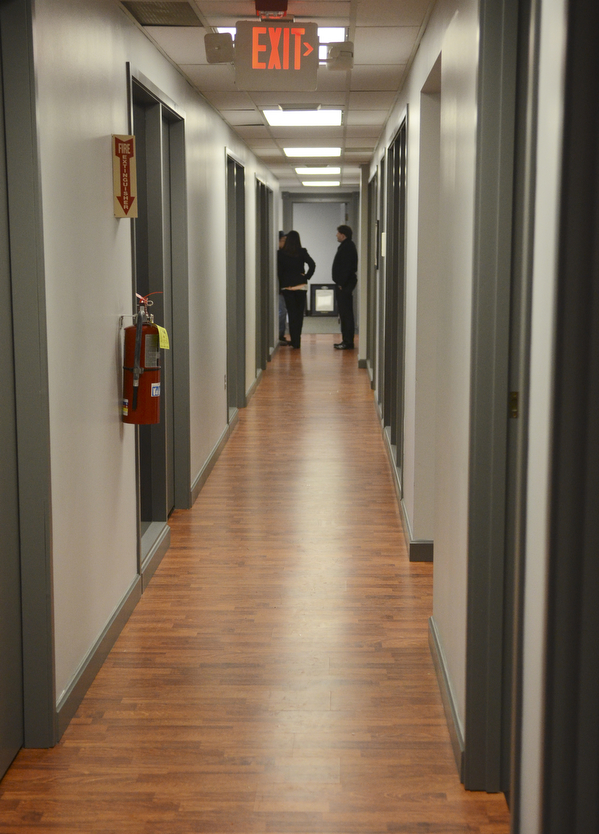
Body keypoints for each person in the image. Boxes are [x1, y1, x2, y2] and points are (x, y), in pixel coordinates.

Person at [277, 230, 315, 349]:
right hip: (301, 286)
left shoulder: (281, 253)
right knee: (299, 315)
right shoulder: (302, 251)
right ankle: (297, 341)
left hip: (287, 287)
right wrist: (306, 277)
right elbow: (312, 264)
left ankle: (294, 341)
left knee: (291, 313)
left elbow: (279, 272)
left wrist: (280, 286)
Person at [332, 224, 358, 350]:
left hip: (345, 285)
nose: (336, 235)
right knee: (344, 313)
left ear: (343, 235)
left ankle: (347, 341)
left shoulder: (347, 247)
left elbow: (346, 268)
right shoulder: (346, 246)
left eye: (338, 233)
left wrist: (341, 284)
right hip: (344, 284)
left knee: (346, 314)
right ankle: (346, 340)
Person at [278, 231, 289, 344]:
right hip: (279, 288)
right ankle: (279, 335)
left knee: (283, 311)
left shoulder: (283, 254)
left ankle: (281, 334)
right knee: (281, 311)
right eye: (283, 241)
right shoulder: (278, 255)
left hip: (283, 288)